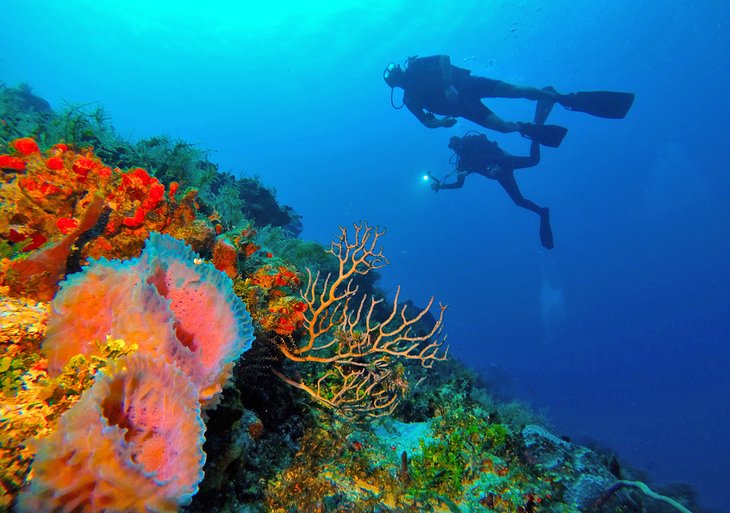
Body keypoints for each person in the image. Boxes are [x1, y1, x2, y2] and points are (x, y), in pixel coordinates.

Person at [383, 55, 634, 148]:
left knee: (516, 89)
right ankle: (526, 126)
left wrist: (448, 85)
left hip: (467, 85)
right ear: (396, 84)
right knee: (503, 128)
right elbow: (426, 122)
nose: (402, 79)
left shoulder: (416, 65)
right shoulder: (409, 99)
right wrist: (442, 123)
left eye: (399, 75)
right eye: (398, 80)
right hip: (464, 108)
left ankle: (563, 98)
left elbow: (444, 59)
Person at [429, 100, 555, 249]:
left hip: (504, 164)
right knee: (520, 198)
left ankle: (535, 131)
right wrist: (442, 186)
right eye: (455, 147)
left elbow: (488, 152)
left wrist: (446, 184)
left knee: (533, 164)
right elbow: (459, 184)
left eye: (455, 145)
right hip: (503, 171)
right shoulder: (462, 162)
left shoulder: (472, 143)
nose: (457, 148)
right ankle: (542, 213)